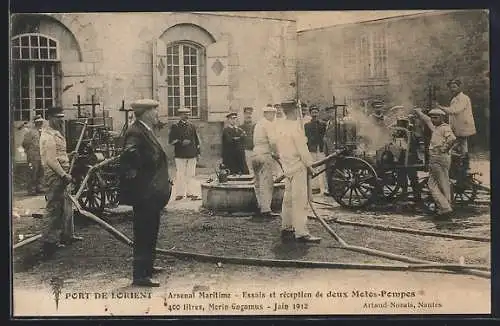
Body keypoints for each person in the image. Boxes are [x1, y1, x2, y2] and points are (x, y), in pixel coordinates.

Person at [119, 99, 172, 287]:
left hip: (151, 194)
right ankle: (140, 275)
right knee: (143, 233)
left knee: (151, 231)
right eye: (154, 111)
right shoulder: (135, 131)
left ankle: (148, 267)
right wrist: (143, 177)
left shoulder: (146, 130)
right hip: (144, 194)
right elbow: (129, 154)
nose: (157, 114)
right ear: (145, 113)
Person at [275, 100, 321, 243]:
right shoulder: (295, 128)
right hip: (298, 166)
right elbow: (303, 150)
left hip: (287, 167)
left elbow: (279, 148)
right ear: (294, 111)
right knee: (300, 200)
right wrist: (310, 165)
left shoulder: (280, 126)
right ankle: (301, 232)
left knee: (288, 200)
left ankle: (287, 227)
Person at [39, 107, 83, 253]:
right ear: (50, 118)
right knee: (53, 209)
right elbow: (51, 160)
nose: (61, 120)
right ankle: (49, 242)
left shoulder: (56, 133)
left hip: (62, 174)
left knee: (66, 206)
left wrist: (70, 155)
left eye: (62, 117)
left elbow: (59, 155)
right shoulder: (47, 136)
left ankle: (67, 235)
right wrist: (64, 175)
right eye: (58, 117)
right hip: (55, 176)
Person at [413, 108, 457, 217]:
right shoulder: (436, 127)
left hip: (439, 158)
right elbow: (427, 120)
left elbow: (452, 138)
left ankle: (445, 208)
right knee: (441, 183)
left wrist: (444, 149)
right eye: (432, 117)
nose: (433, 119)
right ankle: (446, 206)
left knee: (435, 184)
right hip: (436, 158)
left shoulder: (444, 128)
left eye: (436, 117)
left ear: (442, 118)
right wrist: (419, 112)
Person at [437, 79, 476, 158]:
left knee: (460, 141)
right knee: (461, 142)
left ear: (459, 87)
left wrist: (440, 108)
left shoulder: (463, 98)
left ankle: (461, 159)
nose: (452, 89)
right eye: (451, 87)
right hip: (457, 124)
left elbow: (455, 110)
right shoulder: (455, 98)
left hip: (463, 124)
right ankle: (462, 159)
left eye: (454, 87)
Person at [252, 106, 280, 218]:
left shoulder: (258, 124)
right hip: (264, 154)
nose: (273, 116)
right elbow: (273, 142)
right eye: (272, 114)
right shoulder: (268, 124)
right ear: (267, 114)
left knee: (257, 182)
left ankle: (260, 205)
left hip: (255, 154)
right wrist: (277, 153)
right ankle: (266, 210)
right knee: (267, 183)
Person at [168, 108, 201, 201]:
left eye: (188, 114)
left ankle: (191, 193)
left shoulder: (192, 126)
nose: (187, 115)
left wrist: (198, 153)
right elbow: (171, 141)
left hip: (192, 153)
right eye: (184, 114)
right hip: (180, 154)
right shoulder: (175, 126)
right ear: (180, 115)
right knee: (180, 174)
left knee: (191, 174)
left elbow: (196, 140)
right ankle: (180, 193)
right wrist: (181, 142)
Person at [304, 106, 327, 194]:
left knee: (322, 168)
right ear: (310, 113)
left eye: (316, 112)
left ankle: (323, 188)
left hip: (320, 148)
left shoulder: (323, 124)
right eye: (313, 112)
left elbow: (324, 136)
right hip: (311, 148)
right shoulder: (307, 125)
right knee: (312, 167)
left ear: (318, 113)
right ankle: (314, 188)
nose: (315, 114)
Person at [22, 115, 44, 195]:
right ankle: (31, 189)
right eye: (38, 122)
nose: (40, 123)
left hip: (41, 154)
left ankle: (39, 187)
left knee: (40, 172)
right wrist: (29, 151)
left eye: (41, 122)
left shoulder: (42, 131)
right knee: (32, 172)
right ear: (35, 123)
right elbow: (25, 143)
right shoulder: (30, 132)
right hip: (32, 155)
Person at [322, 106, 338, 195]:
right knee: (328, 170)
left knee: (335, 169)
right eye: (328, 112)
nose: (330, 114)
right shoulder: (327, 123)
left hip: (334, 149)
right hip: (327, 150)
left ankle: (336, 189)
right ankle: (330, 189)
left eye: (332, 112)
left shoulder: (338, 123)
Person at [239, 107, 256, 175]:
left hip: (255, 150)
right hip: (246, 151)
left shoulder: (256, 126)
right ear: (244, 114)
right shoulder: (241, 127)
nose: (248, 115)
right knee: (248, 169)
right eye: (246, 113)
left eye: (250, 113)